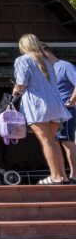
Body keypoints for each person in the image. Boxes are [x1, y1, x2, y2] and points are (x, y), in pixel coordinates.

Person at [13, 34, 72, 184]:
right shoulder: (47, 61)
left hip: (37, 105)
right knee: (53, 140)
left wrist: (15, 91)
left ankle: (55, 176)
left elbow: (21, 84)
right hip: (55, 104)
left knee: (46, 141)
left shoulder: (23, 60)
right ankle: (62, 176)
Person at [45, 46, 76, 179]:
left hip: (68, 110)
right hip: (56, 112)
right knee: (57, 142)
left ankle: (74, 176)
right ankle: (62, 174)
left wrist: (71, 102)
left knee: (67, 142)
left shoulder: (64, 66)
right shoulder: (48, 70)